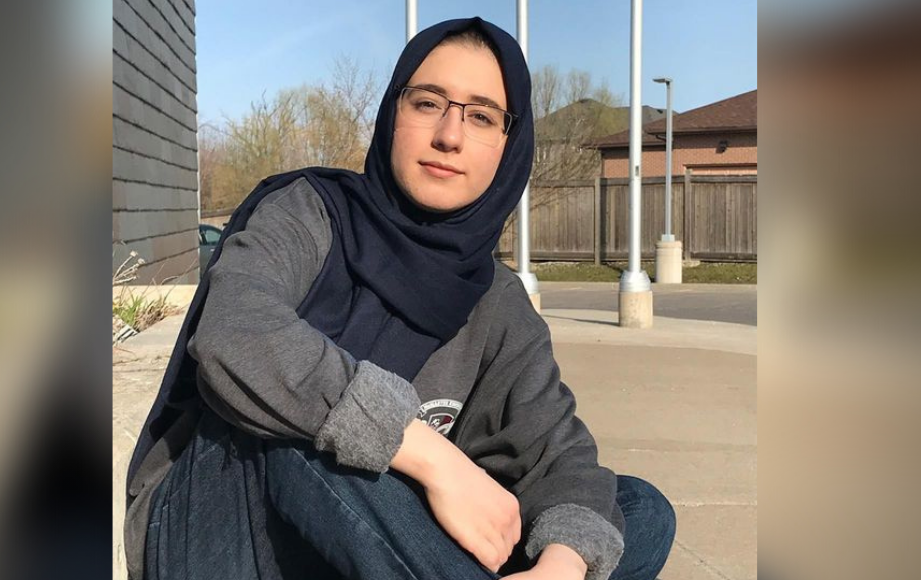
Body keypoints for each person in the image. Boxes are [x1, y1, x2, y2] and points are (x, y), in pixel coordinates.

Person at [124, 17, 675, 580]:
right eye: (428, 103)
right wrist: (432, 458)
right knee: (308, 431)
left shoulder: (498, 301)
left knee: (636, 510)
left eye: (482, 116)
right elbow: (234, 334)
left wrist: (559, 567)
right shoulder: (308, 212)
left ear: (509, 149)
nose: (450, 136)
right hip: (222, 521)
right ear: (393, 112)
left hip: (374, 543)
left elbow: (562, 459)